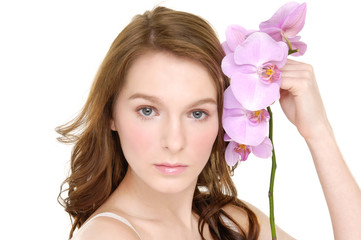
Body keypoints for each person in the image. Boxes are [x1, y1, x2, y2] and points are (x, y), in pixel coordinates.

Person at [57, 6, 361, 240]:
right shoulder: (111, 235)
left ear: (224, 119)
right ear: (111, 113)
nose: (174, 142)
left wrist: (318, 132)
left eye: (197, 113)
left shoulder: (228, 220)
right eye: (148, 110)